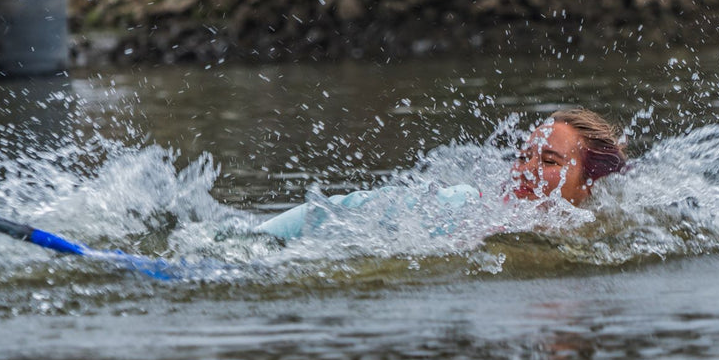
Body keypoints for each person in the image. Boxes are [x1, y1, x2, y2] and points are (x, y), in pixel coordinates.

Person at [254, 108, 629, 240]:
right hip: (288, 234)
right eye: (523, 156)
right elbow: (338, 211)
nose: (525, 171)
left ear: (591, 180)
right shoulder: (467, 207)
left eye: (549, 161)